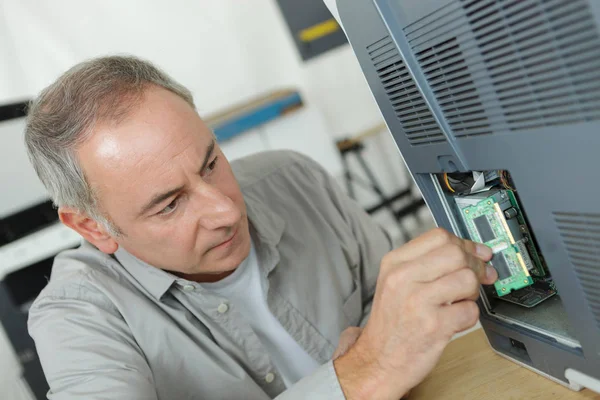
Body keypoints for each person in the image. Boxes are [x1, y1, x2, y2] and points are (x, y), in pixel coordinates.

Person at [25, 56, 497, 400]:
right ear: (92, 227)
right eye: (169, 205)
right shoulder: (77, 314)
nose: (226, 211)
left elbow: (384, 304)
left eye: (211, 163)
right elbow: (377, 359)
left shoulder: (293, 178)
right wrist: (364, 372)